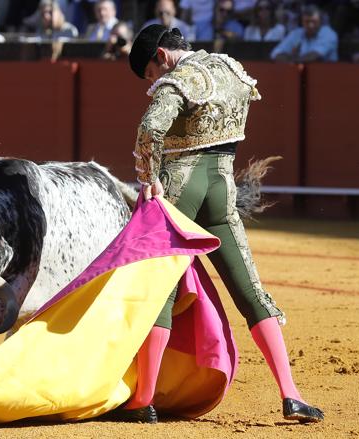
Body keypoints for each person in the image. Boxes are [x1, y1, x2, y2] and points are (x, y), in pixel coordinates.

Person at [116, 23, 324, 424]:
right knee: (250, 290)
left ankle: (143, 399)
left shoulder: (177, 80)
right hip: (222, 189)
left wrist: (150, 178)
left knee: (163, 290)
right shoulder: (231, 68)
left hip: (180, 191)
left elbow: (150, 129)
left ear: (161, 56)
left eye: (151, 73)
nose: (155, 80)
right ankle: (291, 394)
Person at [271, 4, 338, 62]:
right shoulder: (296, 33)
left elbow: (314, 57)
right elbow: (275, 53)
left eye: (314, 21)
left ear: (320, 21)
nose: (310, 25)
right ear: (302, 22)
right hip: (298, 73)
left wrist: (291, 59)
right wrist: (290, 58)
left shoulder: (329, 34)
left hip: (326, 73)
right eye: (307, 21)